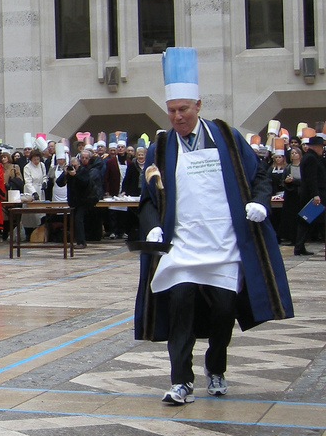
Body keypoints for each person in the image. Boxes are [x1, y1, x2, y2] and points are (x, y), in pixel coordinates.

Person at [135, 47, 293, 405]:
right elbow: (147, 196)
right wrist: (153, 226)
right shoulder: (161, 146)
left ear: (198, 106)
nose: (177, 117)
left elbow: (260, 175)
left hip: (224, 245)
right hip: (182, 247)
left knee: (224, 310)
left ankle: (216, 367)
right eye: (172, 111)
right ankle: (181, 381)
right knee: (180, 306)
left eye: (183, 110)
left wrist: (259, 202)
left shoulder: (226, 136)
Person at [293, 134, 326, 256]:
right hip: (312, 195)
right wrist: (315, 195)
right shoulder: (311, 158)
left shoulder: (314, 157)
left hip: (313, 194)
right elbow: (311, 178)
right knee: (307, 221)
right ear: (316, 147)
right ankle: (299, 247)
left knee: (308, 222)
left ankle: (300, 247)